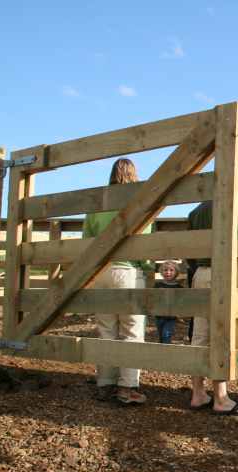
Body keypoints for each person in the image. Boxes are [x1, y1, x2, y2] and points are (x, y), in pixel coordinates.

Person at [83, 158, 152, 405]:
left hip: (102, 273)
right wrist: (148, 267)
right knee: (131, 330)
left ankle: (105, 383)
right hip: (127, 271)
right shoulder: (139, 203)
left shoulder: (97, 205)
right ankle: (128, 386)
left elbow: (86, 240)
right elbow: (144, 243)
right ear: (134, 175)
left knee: (106, 330)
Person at [187, 201, 238, 415]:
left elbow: (189, 251)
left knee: (199, 335)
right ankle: (221, 398)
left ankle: (197, 393)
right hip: (221, 273)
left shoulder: (195, 213)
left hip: (200, 273)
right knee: (220, 335)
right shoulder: (230, 206)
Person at [154, 260, 182, 344]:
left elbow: (181, 301)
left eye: (171, 270)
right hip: (159, 315)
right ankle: (161, 350)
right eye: (165, 270)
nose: (168, 272)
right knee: (160, 335)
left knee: (166, 334)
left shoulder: (179, 287)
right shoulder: (157, 285)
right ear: (161, 272)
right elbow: (153, 298)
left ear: (176, 272)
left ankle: (166, 349)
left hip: (171, 317)